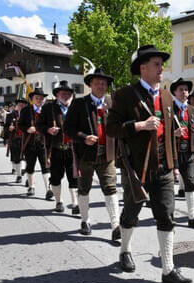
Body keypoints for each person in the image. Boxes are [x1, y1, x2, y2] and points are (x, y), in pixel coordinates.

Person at [106, 45, 192, 283]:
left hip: (163, 168)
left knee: (166, 217)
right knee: (131, 214)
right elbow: (112, 128)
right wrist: (139, 126)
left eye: (161, 64)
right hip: (136, 169)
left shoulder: (166, 96)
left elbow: (169, 136)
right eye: (156, 64)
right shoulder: (124, 95)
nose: (161, 68)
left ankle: (168, 269)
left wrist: (173, 164)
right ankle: (125, 250)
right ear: (143, 68)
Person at [64, 68, 120, 241]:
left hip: (107, 155)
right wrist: (83, 137)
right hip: (86, 156)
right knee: (84, 189)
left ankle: (115, 225)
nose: (101, 86)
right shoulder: (80, 104)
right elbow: (68, 129)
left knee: (111, 189)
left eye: (104, 83)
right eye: (97, 83)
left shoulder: (112, 102)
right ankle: (85, 220)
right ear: (90, 85)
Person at [36, 81, 79, 214]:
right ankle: (58, 201)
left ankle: (76, 204)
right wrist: (48, 129)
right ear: (57, 95)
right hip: (55, 149)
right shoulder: (49, 108)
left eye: (68, 93)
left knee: (75, 177)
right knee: (55, 177)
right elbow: (39, 126)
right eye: (62, 93)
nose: (65, 95)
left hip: (73, 149)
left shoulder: (77, 107)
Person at [171, 78, 194, 228]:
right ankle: (169, 215)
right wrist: (174, 133)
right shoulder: (169, 108)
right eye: (181, 89)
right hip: (173, 152)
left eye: (186, 89)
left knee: (191, 183)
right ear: (174, 92)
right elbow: (162, 132)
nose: (184, 92)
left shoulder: (193, 110)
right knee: (169, 184)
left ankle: (192, 217)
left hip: (189, 152)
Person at [18, 88, 53, 199]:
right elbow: (20, 125)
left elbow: (51, 124)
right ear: (32, 99)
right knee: (30, 166)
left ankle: (48, 189)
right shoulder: (25, 110)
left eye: (41, 98)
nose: (39, 100)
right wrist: (27, 129)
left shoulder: (47, 110)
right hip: (30, 143)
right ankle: (31, 186)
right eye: (37, 98)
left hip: (43, 143)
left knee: (46, 167)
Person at [5, 99, 27, 183]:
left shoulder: (29, 114)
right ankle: (19, 175)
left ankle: (28, 177)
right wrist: (9, 128)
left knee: (28, 158)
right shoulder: (11, 115)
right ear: (17, 105)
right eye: (19, 104)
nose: (21, 106)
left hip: (27, 139)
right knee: (17, 158)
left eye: (23, 104)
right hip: (16, 139)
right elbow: (6, 127)